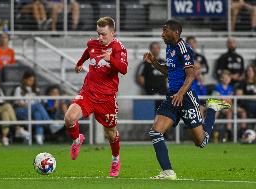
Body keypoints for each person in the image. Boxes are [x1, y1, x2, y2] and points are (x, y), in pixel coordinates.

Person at [143, 19, 231, 180]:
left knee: (201, 142)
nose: (162, 34)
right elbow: (170, 72)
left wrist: (181, 93)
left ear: (176, 32)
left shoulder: (184, 48)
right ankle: (168, 172)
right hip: (172, 97)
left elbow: (191, 75)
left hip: (186, 98)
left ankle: (211, 107)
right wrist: (154, 63)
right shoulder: (169, 47)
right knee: (155, 132)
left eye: (165, 31)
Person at [64, 17, 128, 177]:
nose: (100, 38)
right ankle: (77, 139)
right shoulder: (93, 43)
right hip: (88, 93)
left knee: (111, 133)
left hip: (107, 98)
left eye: (104, 34)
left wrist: (110, 59)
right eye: (98, 34)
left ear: (113, 33)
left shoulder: (119, 48)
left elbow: (124, 69)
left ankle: (115, 160)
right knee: (69, 118)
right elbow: (88, 52)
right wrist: (80, 62)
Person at [0, 73, 29, 146]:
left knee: (5, 113)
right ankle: (17, 128)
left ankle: (4, 137)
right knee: (7, 106)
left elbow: (3, 101)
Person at [14, 70, 52, 145]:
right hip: (21, 111)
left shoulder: (36, 90)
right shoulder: (19, 89)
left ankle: (39, 137)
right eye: (30, 80)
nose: (31, 82)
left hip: (33, 110)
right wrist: (30, 104)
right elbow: (18, 103)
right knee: (37, 106)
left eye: (33, 80)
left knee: (38, 114)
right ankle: (49, 122)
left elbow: (41, 101)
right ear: (24, 79)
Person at [136, 41, 167, 110]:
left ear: (160, 49)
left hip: (163, 93)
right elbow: (141, 77)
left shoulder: (164, 62)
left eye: (157, 48)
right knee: (150, 114)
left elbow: (167, 77)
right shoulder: (145, 63)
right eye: (153, 48)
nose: (155, 50)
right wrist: (147, 89)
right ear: (150, 49)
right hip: (150, 93)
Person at [212, 70, 234, 142]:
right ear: (221, 79)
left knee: (229, 112)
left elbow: (230, 100)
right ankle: (212, 129)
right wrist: (224, 99)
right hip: (218, 105)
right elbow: (216, 99)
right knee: (216, 111)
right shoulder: (217, 87)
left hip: (226, 106)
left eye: (228, 78)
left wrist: (224, 99)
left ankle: (229, 131)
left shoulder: (231, 88)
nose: (227, 79)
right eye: (225, 78)